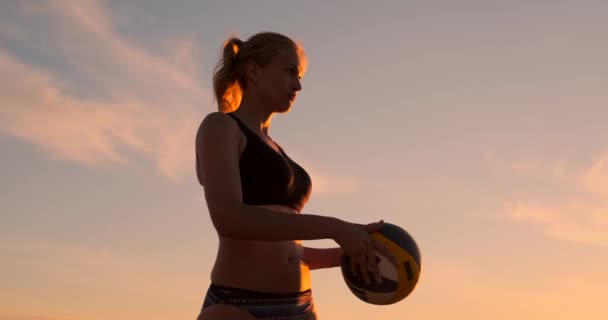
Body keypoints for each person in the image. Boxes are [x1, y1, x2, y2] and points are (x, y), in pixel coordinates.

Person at [195, 31, 399, 320]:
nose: (299, 85)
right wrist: (337, 228)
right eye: (290, 72)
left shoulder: (277, 149)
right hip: (239, 304)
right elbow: (230, 219)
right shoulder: (220, 128)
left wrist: (351, 251)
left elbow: (286, 248)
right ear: (254, 71)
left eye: (300, 75)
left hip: (301, 306)